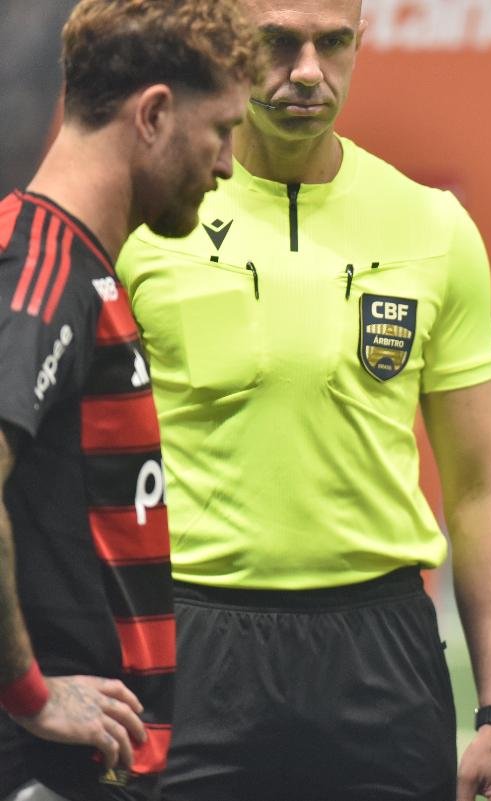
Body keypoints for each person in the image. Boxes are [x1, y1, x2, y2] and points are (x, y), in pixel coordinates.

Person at [112, 0, 491, 798]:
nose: (308, 70)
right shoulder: (147, 218)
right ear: (228, 43)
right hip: (190, 639)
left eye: (332, 42)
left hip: (381, 648)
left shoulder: (434, 226)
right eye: (279, 42)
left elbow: (482, 491)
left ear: (361, 39)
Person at [0, 1, 256, 800]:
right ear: (153, 115)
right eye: (220, 131)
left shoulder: (75, 263)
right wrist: (31, 696)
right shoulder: (39, 270)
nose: (225, 165)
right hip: (44, 768)